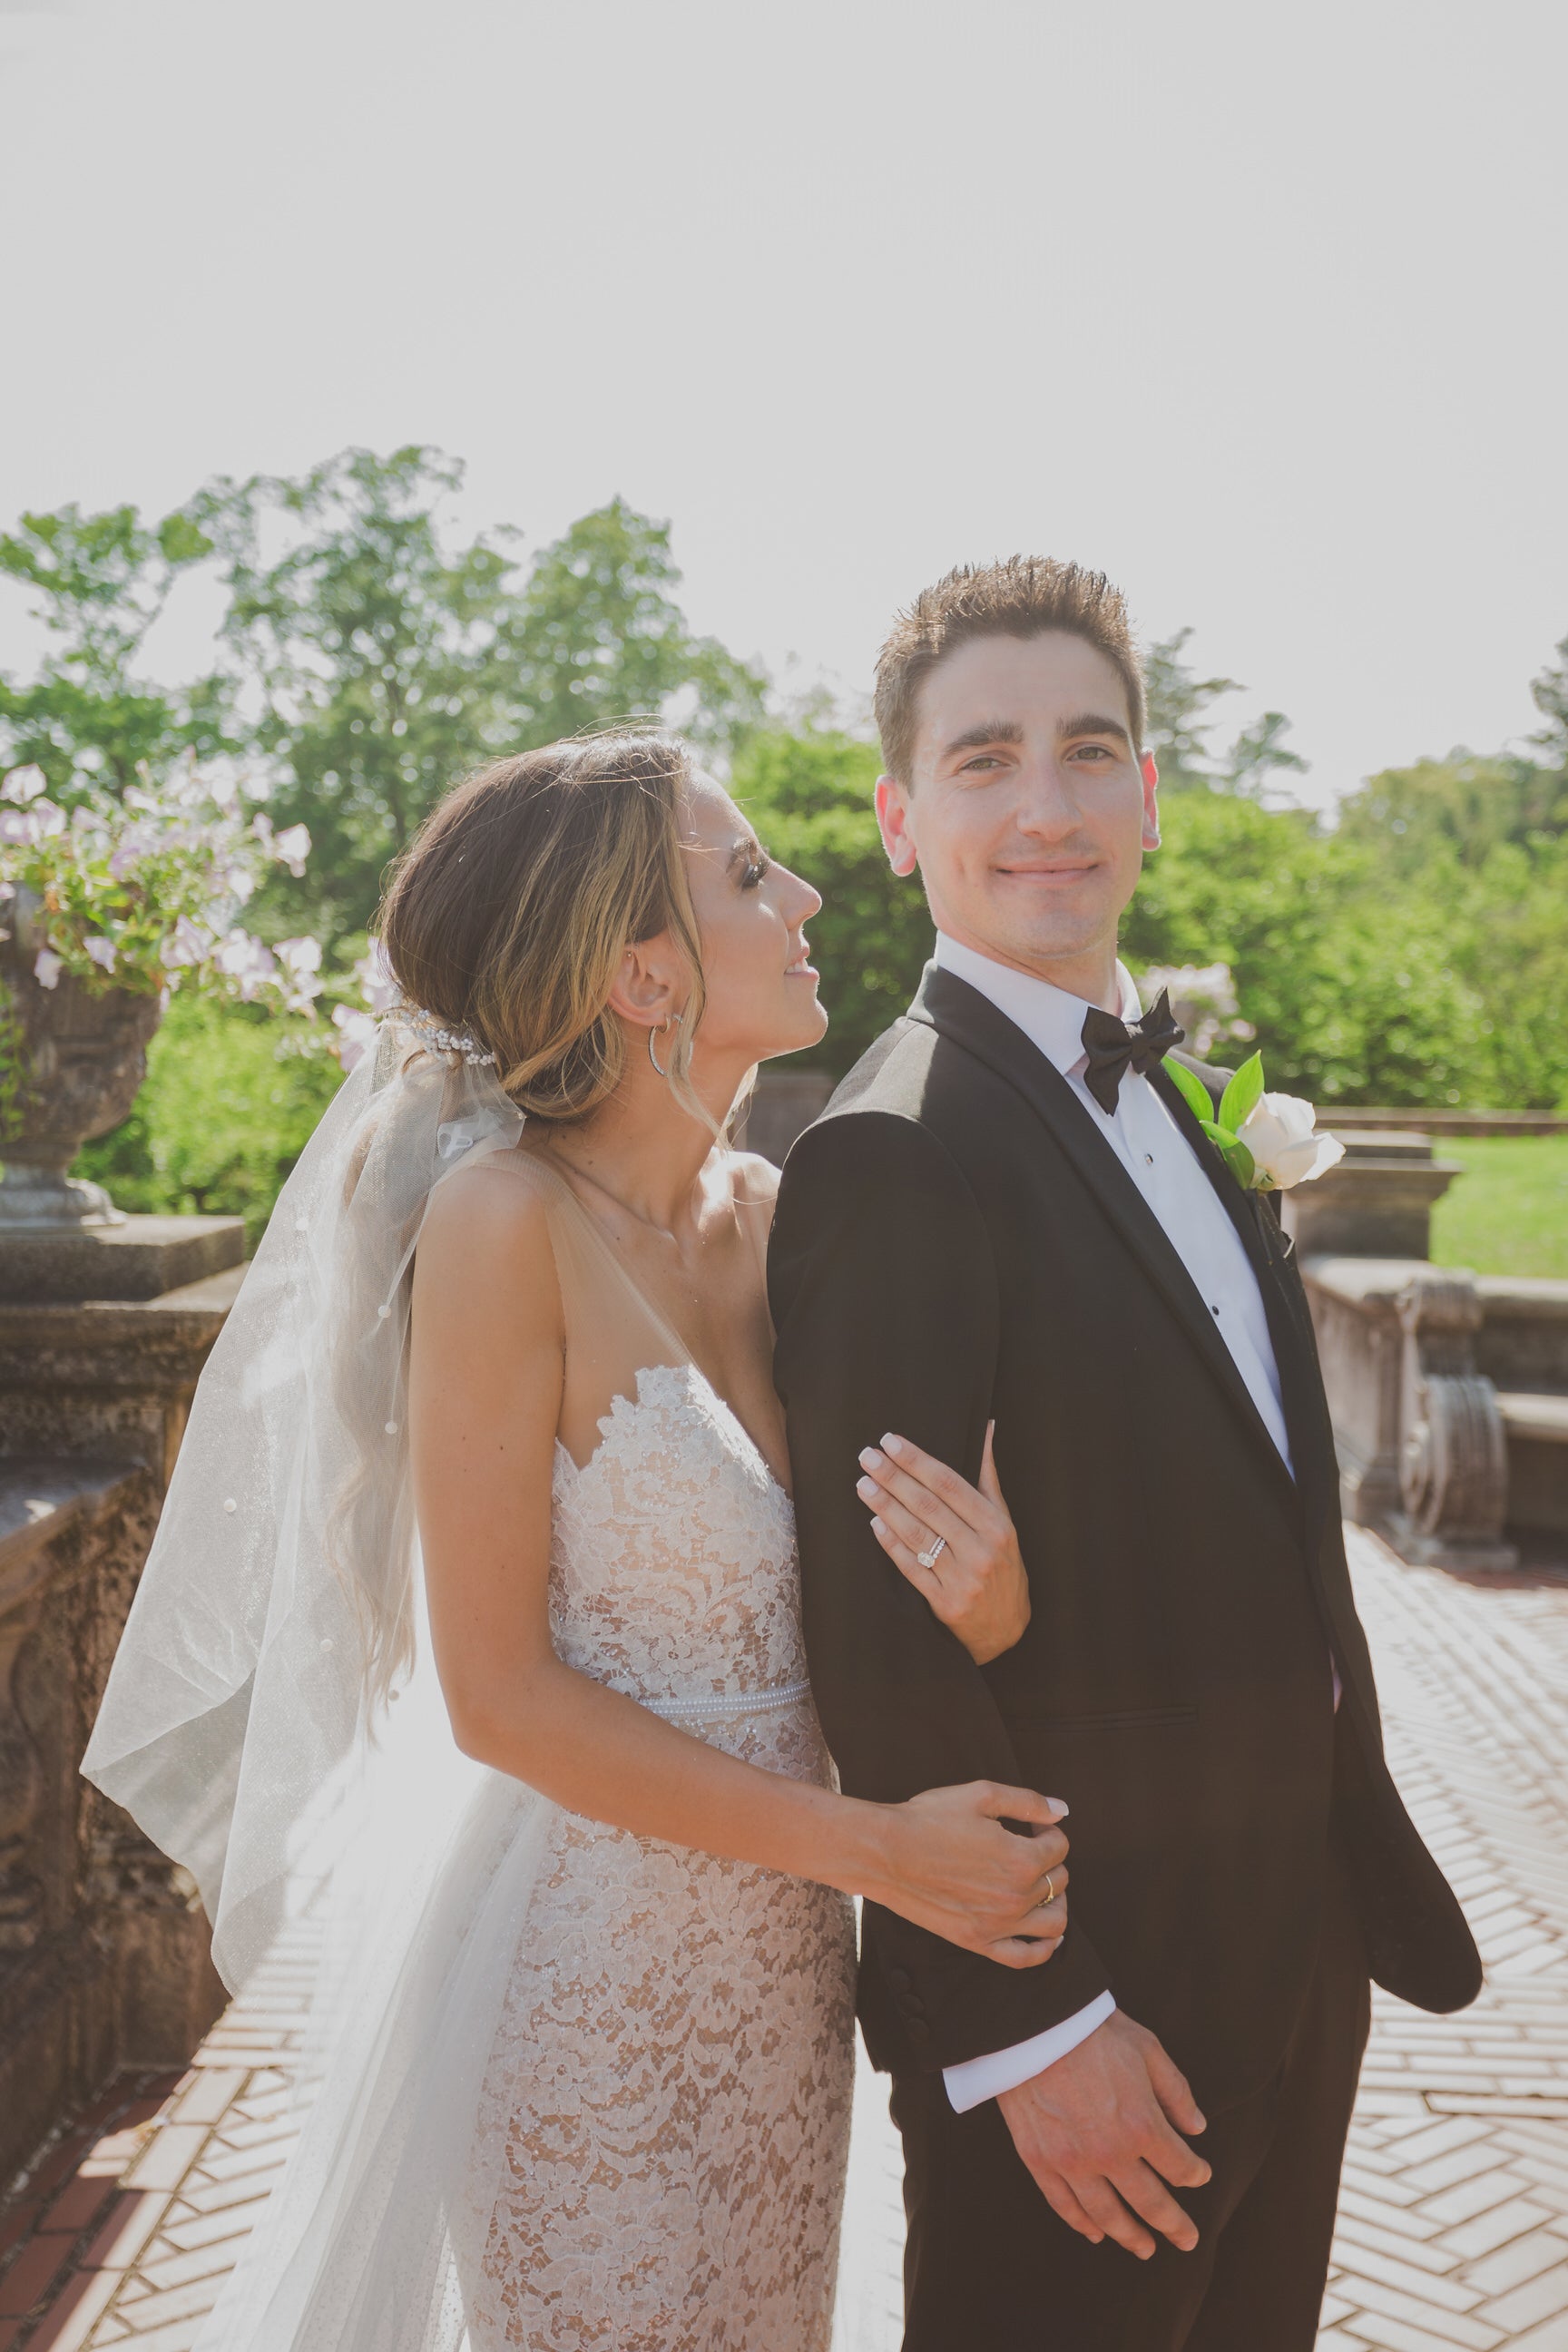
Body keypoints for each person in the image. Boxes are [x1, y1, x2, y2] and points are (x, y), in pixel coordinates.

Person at [83, 729, 1069, 2352]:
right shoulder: (504, 1229)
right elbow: (503, 1698)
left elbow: (859, 1592)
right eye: (749, 874)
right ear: (640, 978)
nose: (808, 890)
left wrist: (992, 1595)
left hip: (787, 1986)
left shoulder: (786, 1214)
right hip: (588, 1988)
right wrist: (874, 1851)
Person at [768, 558, 1483, 2350]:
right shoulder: (897, 1154)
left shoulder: (1166, 1085)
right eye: (985, 759)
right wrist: (1036, 2028)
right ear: (897, 817)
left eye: (1092, 752)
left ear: (1151, 792)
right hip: (1098, 2011)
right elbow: (887, 1659)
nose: (1047, 807)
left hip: (1293, 1938)